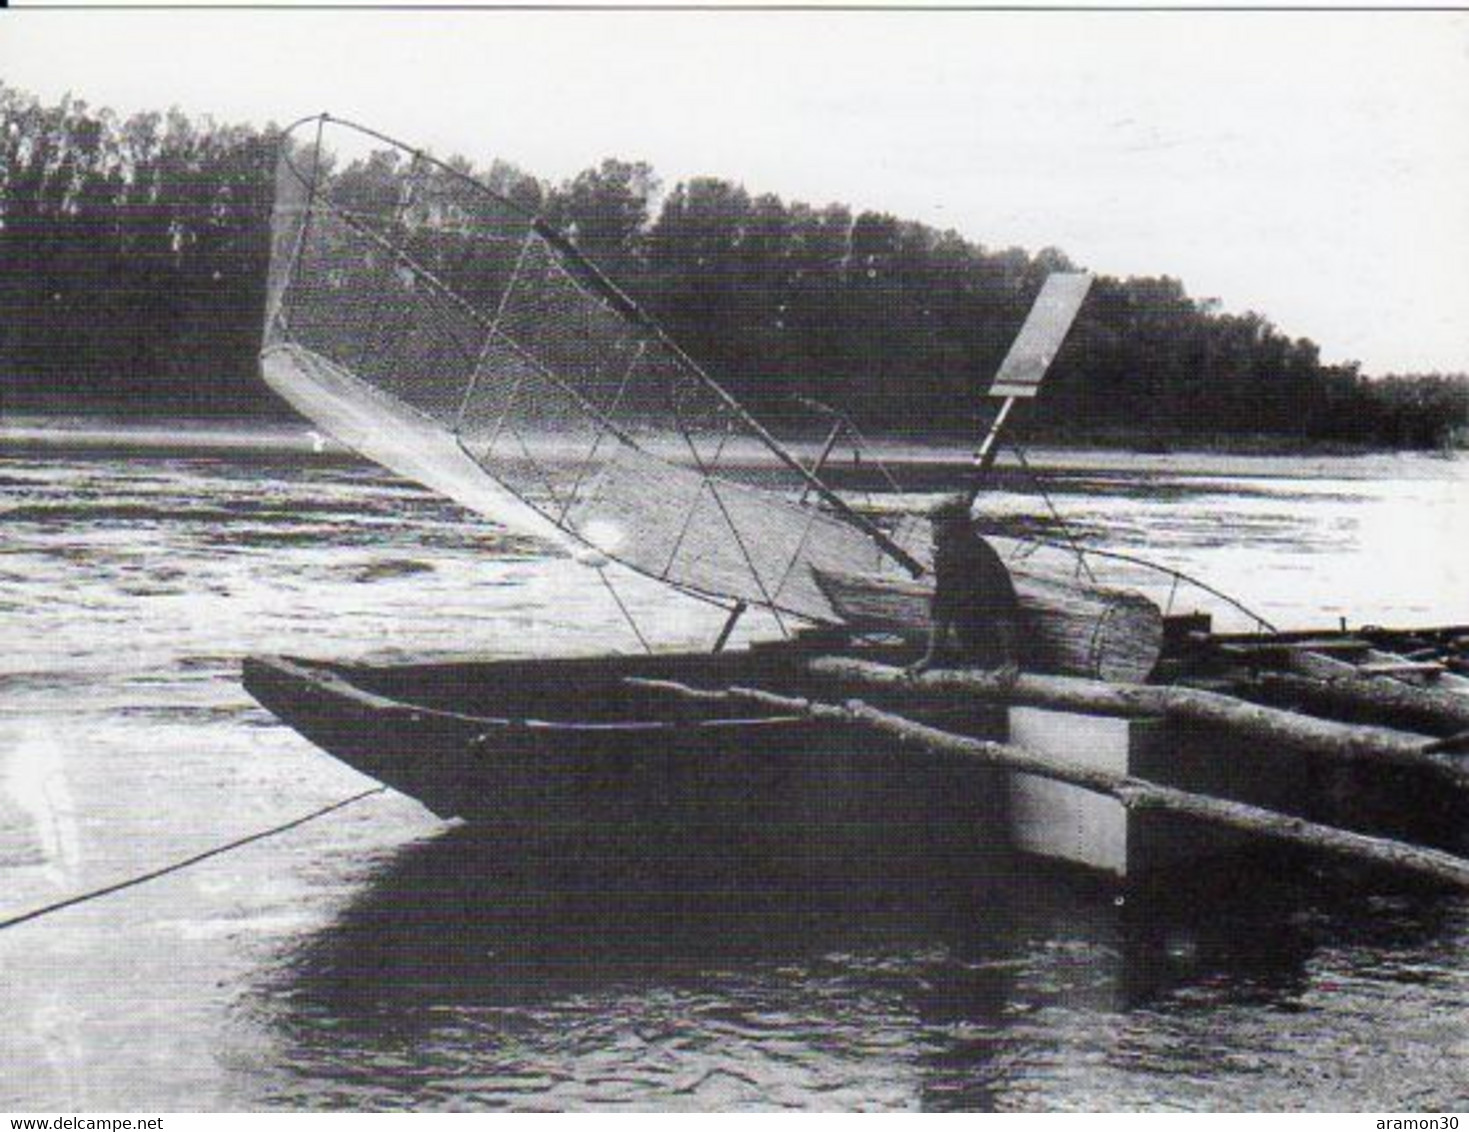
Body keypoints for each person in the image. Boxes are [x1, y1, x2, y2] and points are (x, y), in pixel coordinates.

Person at [909, 494, 1021, 677]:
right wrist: (930, 658)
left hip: (994, 642)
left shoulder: (978, 555)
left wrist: (1011, 660)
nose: (932, 531)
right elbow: (942, 609)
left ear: (953, 525)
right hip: (971, 639)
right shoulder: (946, 555)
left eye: (937, 524)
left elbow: (1004, 606)